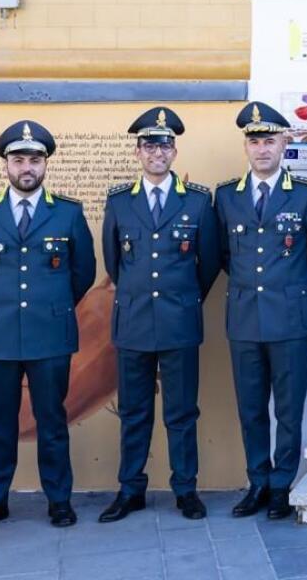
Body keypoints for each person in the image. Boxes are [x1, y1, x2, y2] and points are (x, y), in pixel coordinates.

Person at [0, 121, 96, 533]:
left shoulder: (68, 213)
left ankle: (58, 501)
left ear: (45, 164)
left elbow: (82, 273)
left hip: (49, 335)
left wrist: (48, 308)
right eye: (18, 160)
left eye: (35, 159)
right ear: (6, 165)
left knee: (52, 421)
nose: (27, 167)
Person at [98, 107, 221, 523]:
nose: (157, 152)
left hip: (179, 322)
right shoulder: (119, 202)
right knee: (134, 412)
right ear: (137, 152)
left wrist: (182, 299)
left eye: (165, 144)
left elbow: (207, 265)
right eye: (150, 145)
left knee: (182, 412)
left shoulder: (199, 201)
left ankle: (185, 489)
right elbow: (114, 263)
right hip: (132, 323)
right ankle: (131, 489)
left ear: (174, 151)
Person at [215, 102, 307, 520]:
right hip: (245, 317)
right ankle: (258, 482)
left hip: (290, 317)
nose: (262, 149)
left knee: (288, 407)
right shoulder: (227, 196)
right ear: (245, 146)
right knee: (250, 406)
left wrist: (293, 289)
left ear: (284, 142)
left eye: (269, 140)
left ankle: (282, 484)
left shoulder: (304, 193)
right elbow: (224, 254)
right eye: (254, 141)